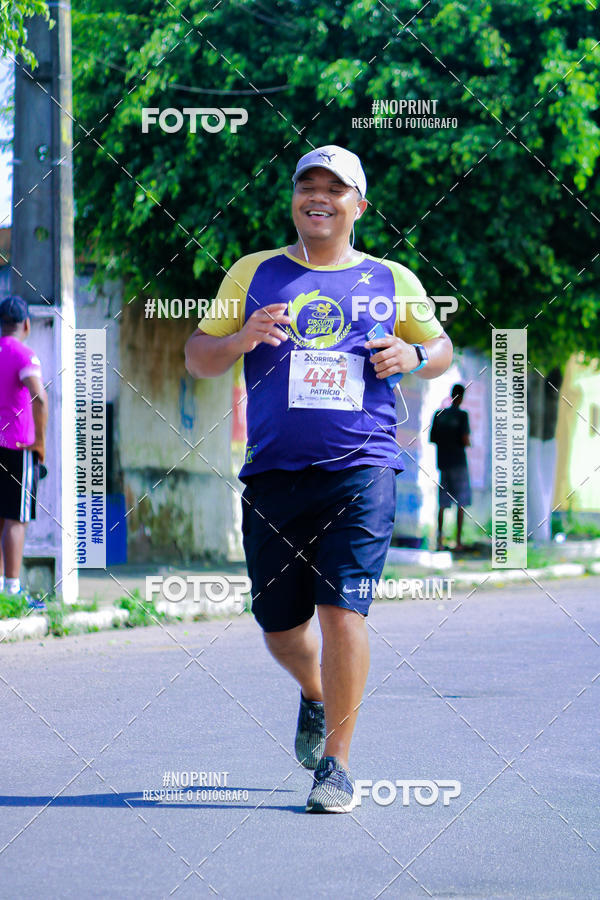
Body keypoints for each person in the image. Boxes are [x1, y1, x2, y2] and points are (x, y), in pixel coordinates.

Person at [185, 145, 453, 813]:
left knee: (343, 610)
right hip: (274, 474)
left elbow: (440, 348)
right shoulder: (255, 272)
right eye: (309, 184)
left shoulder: (392, 278)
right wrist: (241, 338)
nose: (320, 196)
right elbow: (197, 357)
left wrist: (413, 352)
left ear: (358, 206)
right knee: (280, 625)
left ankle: (336, 766)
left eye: (336, 188)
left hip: (362, 471)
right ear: (295, 198)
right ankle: (314, 692)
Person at [0, 296, 48, 608]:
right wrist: (40, 443)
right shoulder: (24, 355)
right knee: (16, 519)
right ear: (26, 325)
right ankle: (13, 590)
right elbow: (40, 399)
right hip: (17, 447)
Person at [429, 383, 472, 551]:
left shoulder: (439, 415)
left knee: (443, 503)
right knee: (460, 503)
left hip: (443, 464)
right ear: (460, 397)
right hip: (459, 464)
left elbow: (432, 438)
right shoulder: (462, 416)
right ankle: (458, 542)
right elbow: (465, 439)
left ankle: (439, 541)